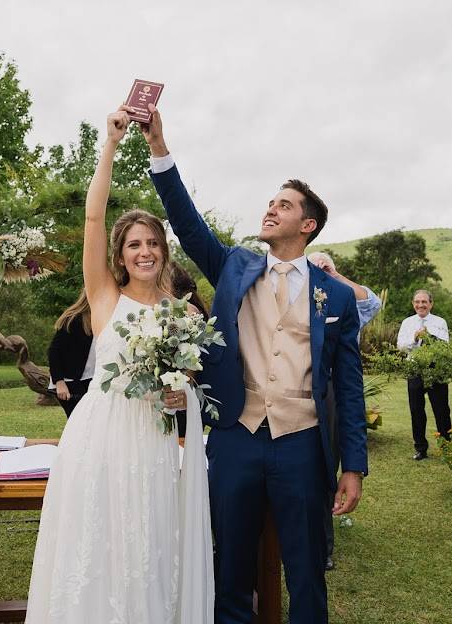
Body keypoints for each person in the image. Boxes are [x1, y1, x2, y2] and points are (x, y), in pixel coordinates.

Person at [143, 103, 366, 624]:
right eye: (270, 201)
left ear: (307, 225)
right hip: (236, 438)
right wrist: (158, 146)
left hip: (303, 445)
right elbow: (186, 221)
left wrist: (353, 466)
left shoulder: (335, 296)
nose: (271, 209)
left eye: (284, 205)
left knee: (307, 571)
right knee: (231, 566)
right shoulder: (234, 266)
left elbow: (349, 388)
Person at [24, 108, 214, 623]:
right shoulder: (105, 297)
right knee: (98, 542)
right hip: (101, 436)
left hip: (153, 441)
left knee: (148, 546)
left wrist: (184, 394)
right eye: (135, 244)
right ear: (121, 254)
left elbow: (189, 378)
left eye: (153, 243)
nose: (145, 251)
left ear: (165, 251)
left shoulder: (182, 310)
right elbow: (92, 217)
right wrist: (110, 144)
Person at [309, 252, 380, 572]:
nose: (320, 271)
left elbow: (372, 303)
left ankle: (323, 546)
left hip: (333, 392)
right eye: (315, 266)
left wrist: (334, 275)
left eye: (325, 265)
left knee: (326, 465)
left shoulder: (341, 297)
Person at [396, 289, 452, 460]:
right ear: (413, 304)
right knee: (416, 410)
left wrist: (428, 337)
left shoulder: (440, 322)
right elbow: (400, 347)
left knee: (441, 409)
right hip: (414, 369)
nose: (420, 305)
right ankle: (420, 448)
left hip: (436, 370)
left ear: (431, 304)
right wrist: (414, 339)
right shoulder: (407, 322)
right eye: (417, 302)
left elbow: (444, 346)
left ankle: (447, 446)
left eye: (424, 302)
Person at [170, 262, 210, 437]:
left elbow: (190, 374)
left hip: (179, 403)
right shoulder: (199, 310)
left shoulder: (186, 313)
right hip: (185, 403)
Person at [46, 289, 96, 417]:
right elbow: (54, 351)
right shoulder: (74, 319)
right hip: (68, 380)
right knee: (80, 422)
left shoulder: (104, 317)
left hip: (90, 379)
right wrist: (59, 382)